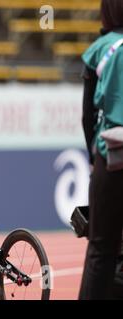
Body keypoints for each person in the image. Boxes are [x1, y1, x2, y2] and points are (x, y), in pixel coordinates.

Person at [79, 0, 123, 299]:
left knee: (101, 249)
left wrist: (93, 158)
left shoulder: (102, 48)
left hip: (113, 158)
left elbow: (87, 116)